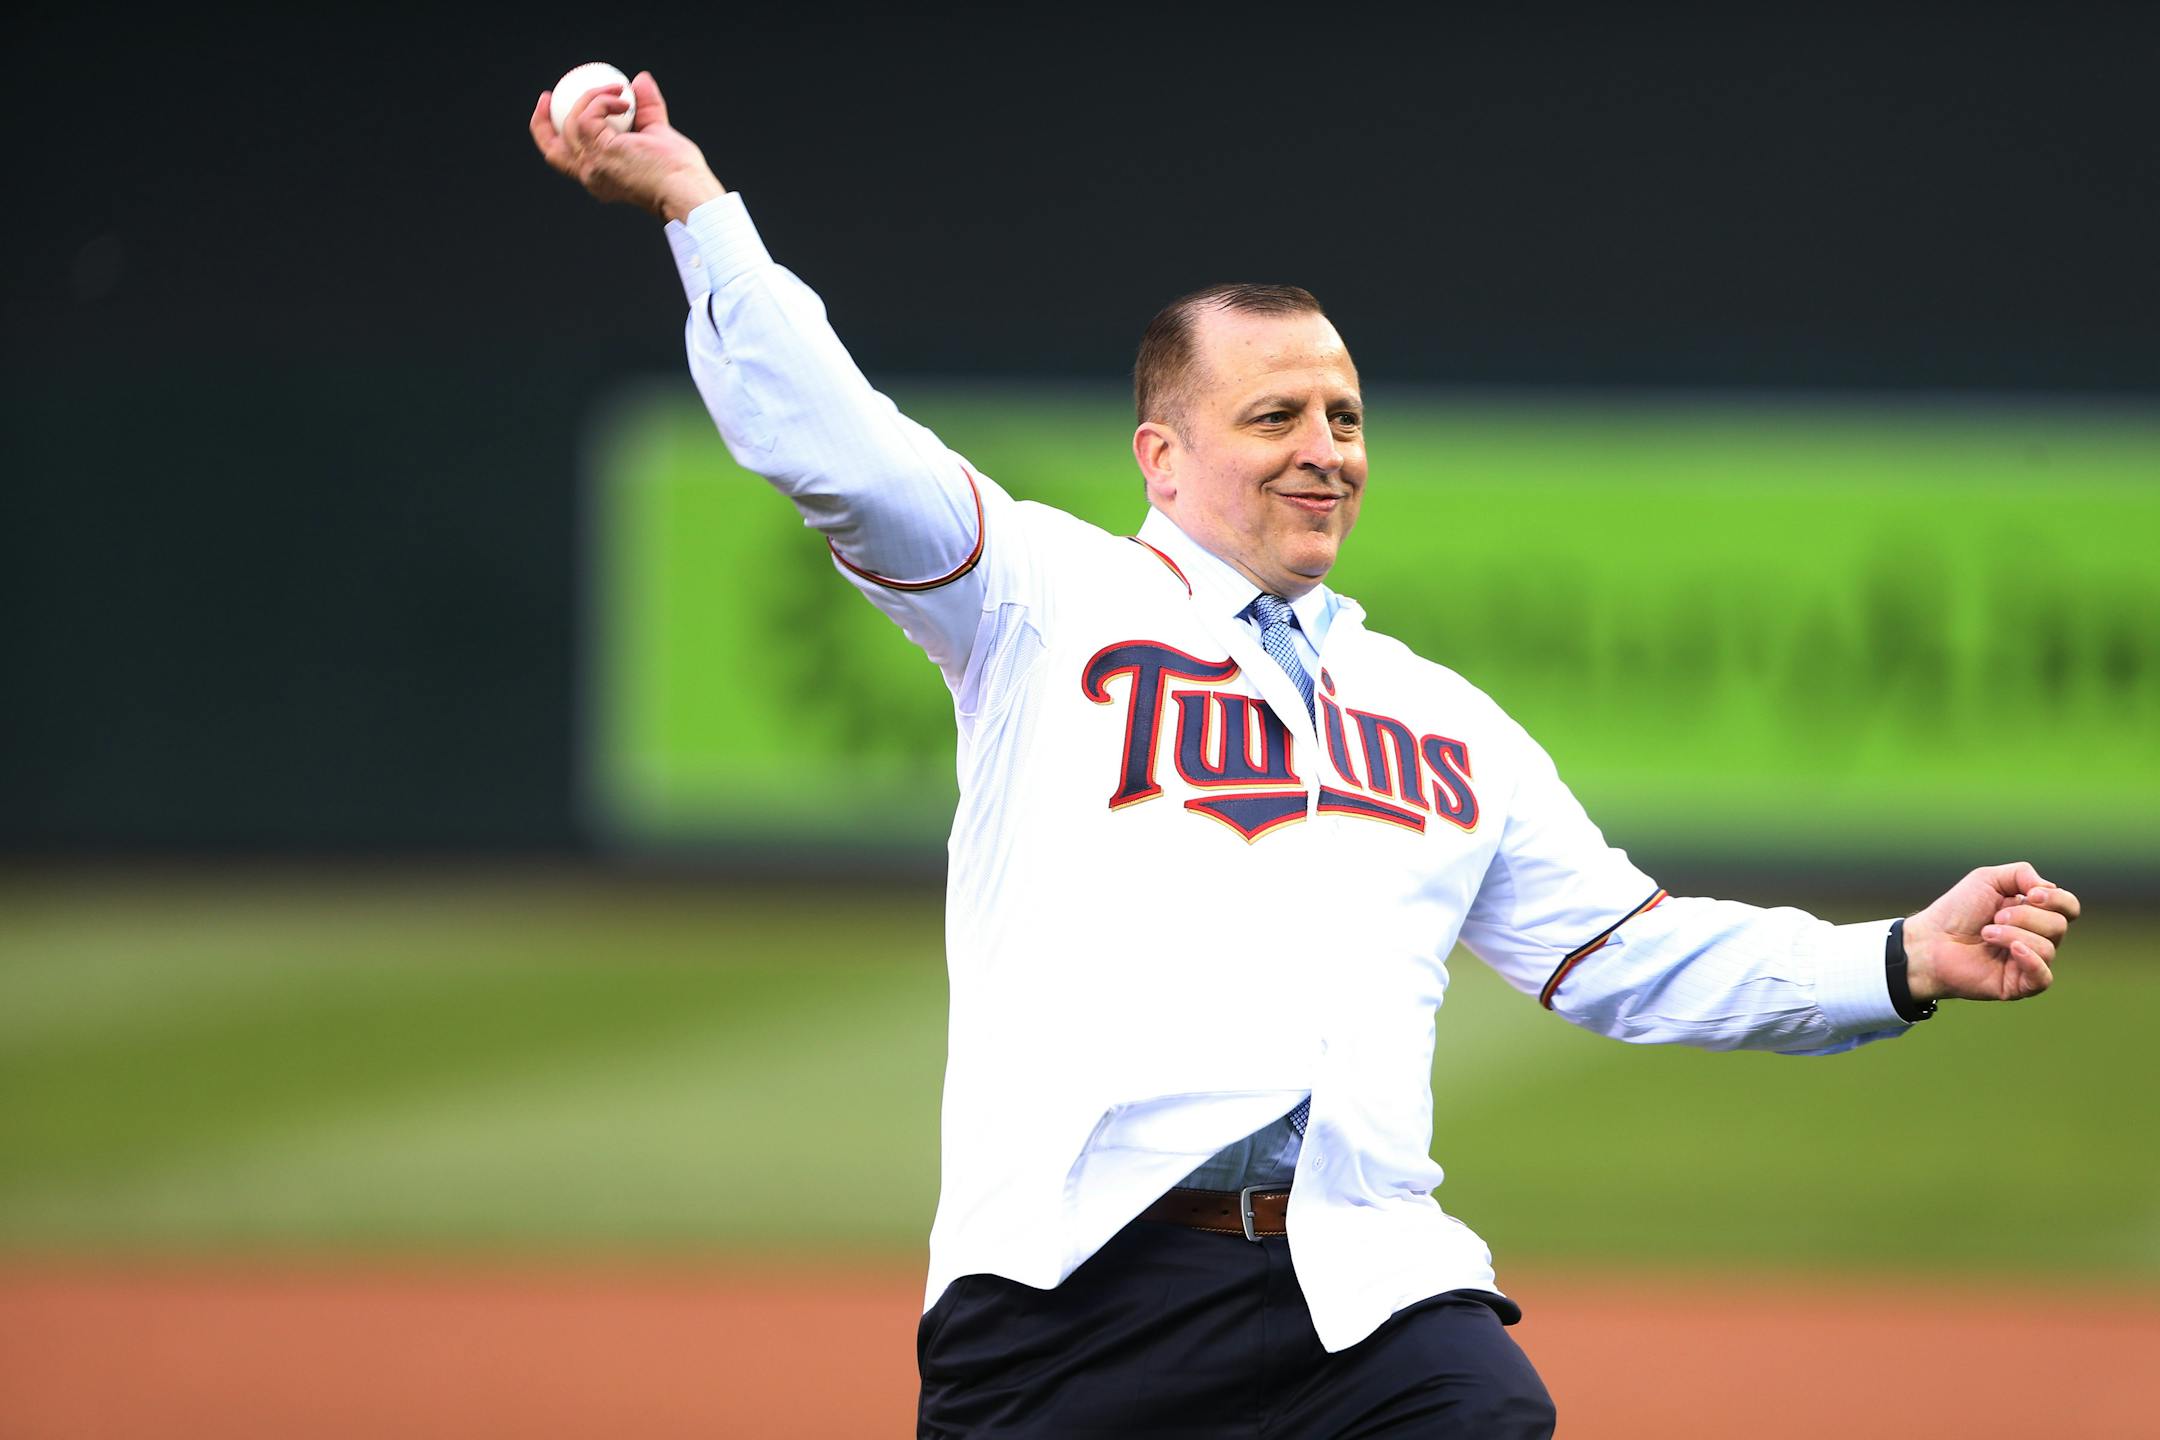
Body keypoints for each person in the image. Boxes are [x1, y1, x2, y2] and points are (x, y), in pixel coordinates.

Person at [530, 73, 2083, 1438]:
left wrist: (1894, 960)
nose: (1325, 446)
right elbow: (835, 446)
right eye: (1274, 413)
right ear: (1164, 452)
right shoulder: (1045, 599)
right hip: (1076, 1285)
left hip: (1362, 1282)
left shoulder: (1439, 716)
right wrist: (695, 207)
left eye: (1343, 412)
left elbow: (1630, 950)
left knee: (1486, 1410)